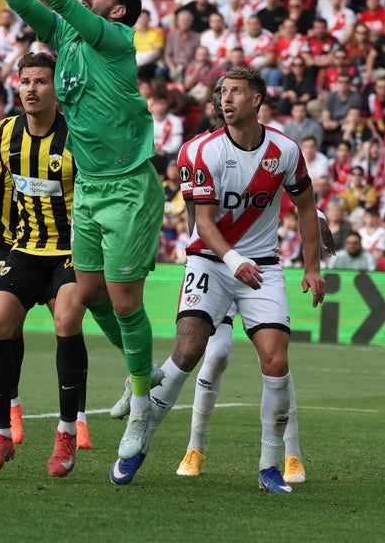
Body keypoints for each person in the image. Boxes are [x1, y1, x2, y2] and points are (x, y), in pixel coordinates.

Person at [0, 0, 165, 468]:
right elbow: (29, 3)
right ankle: (136, 370)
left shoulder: (115, 39)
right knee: (93, 293)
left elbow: (60, 0)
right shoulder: (67, 40)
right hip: (93, 190)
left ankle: (143, 403)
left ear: (118, 8)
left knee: (124, 301)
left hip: (128, 185)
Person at [120, 66, 326, 490]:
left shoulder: (285, 150)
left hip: (263, 266)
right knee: (191, 350)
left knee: (276, 359)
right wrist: (233, 261)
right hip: (211, 262)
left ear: (256, 99)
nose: (225, 99)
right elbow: (205, 223)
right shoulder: (199, 151)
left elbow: (307, 207)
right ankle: (141, 441)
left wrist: (312, 267)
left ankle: (270, 465)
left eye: (235, 91)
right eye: (221, 92)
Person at [0, 52, 87, 476]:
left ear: (56, 89)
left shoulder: (77, 137)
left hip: (69, 252)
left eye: (41, 81)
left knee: (66, 322)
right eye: (25, 81)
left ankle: (66, 433)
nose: (31, 88)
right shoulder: (5, 133)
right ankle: (2, 436)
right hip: (20, 251)